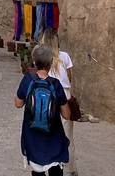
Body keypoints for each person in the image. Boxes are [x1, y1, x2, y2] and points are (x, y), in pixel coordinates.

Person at [15, 44, 71, 175]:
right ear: (51, 63)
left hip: (32, 136)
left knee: (37, 170)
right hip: (53, 137)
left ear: (34, 61)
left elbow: (18, 104)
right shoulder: (55, 84)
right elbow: (67, 115)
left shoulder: (28, 79)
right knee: (56, 170)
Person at [40, 29, 77, 176]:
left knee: (46, 133)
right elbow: (69, 77)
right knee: (67, 135)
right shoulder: (65, 56)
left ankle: (46, 165)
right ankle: (70, 169)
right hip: (64, 94)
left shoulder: (41, 58)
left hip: (47, 94)